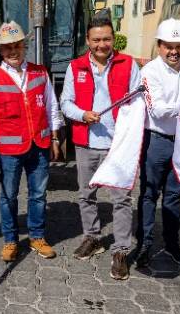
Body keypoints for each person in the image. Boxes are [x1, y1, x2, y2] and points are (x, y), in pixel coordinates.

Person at [0, 21, 63, 262]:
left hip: (39, 144)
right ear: (1, 51)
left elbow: (51, 106)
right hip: (10, 150)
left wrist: (56, 137)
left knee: (38, 195)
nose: (12, 51)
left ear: (24, 45)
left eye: (16, 45)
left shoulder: (40, 72)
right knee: (9, 196)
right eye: (7, 48)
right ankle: (10, 240)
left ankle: (37, 236)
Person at [61, 15, 142, 280]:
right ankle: (93, 237)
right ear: (88, 40)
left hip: (119, 145)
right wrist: (82, 114)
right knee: (86, 195)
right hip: (86, 142)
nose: (101, 44)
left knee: (121, 199)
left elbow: (137, 101)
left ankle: (120, 250)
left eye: (106, 39)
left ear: (113, 38)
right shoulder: (76, 67)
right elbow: (66, 103)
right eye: (96, 39)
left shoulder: (128, 65)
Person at [137, 18, 180, 271]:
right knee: (149, 194)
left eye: (179, 46)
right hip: (157, 142)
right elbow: (158, 111)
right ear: (159, 46)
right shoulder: (149, 72)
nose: (174, 51)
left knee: (174, 197)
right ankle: (144, 244)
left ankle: (172, 244)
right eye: (168, 46)